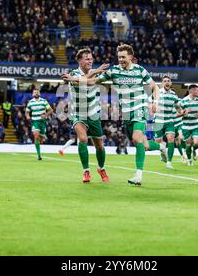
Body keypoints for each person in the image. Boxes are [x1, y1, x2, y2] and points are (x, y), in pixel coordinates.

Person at [63, 44, 166, 186]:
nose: (121, 60)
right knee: (145, 144)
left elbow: (154, 86)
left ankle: (138, 175)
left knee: (136, 139)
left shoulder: (140, 70)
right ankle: (161, 147)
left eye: (123, 57)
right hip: (126, 113)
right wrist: (73, 79)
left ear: (131, 57)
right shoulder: (114, 71)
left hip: (140, 108)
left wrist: (156, 101)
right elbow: (92, 81)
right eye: (119, 57)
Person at [63, 47, 109, 183]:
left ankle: (101, 168)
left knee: (99, 145)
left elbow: (90, 80)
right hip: (78, 114)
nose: (90, 61)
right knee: (82, 138)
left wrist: (96, 72)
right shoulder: (73, 73)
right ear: (79, 60)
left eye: (91, 58)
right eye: (87, 59)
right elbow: (79, 80)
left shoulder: (96, 74)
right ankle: (86, 171)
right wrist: (95, 71)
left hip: (94, 114)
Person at [152, 76, 181, 169]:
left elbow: (177, 106)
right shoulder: (157, 93)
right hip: (158, 121)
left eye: (168, 81)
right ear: (162, 83)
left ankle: (169, 162)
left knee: (171, 138)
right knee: (158, 142)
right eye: (164, 81)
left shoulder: (174, 95)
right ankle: (162, 151)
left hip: (169, 121)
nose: (166, 82)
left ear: (171, 83)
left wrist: (181, 111)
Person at [179, 85, 198, 167]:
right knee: (189, 144)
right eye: (197, 90)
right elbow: (177, 113)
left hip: (195, 126)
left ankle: (194, 150)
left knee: (197, 143)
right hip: (186, 127)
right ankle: (189, 160)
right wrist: (184, 112)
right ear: (191, 91)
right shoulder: (183, 101)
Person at [25, 88, 53, 160]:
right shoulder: (30, 102)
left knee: (41, 140)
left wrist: (45, 115)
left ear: (39, 93)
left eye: (37, 92)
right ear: (32, 94)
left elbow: (50, 110)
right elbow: (27, 112)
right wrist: (28, 117)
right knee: (36, 135)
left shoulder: (44, 101)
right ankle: (39, 155)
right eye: (35, 92)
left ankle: (42, 138)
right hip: (35, 121)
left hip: (42, 122)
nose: (36, 93)